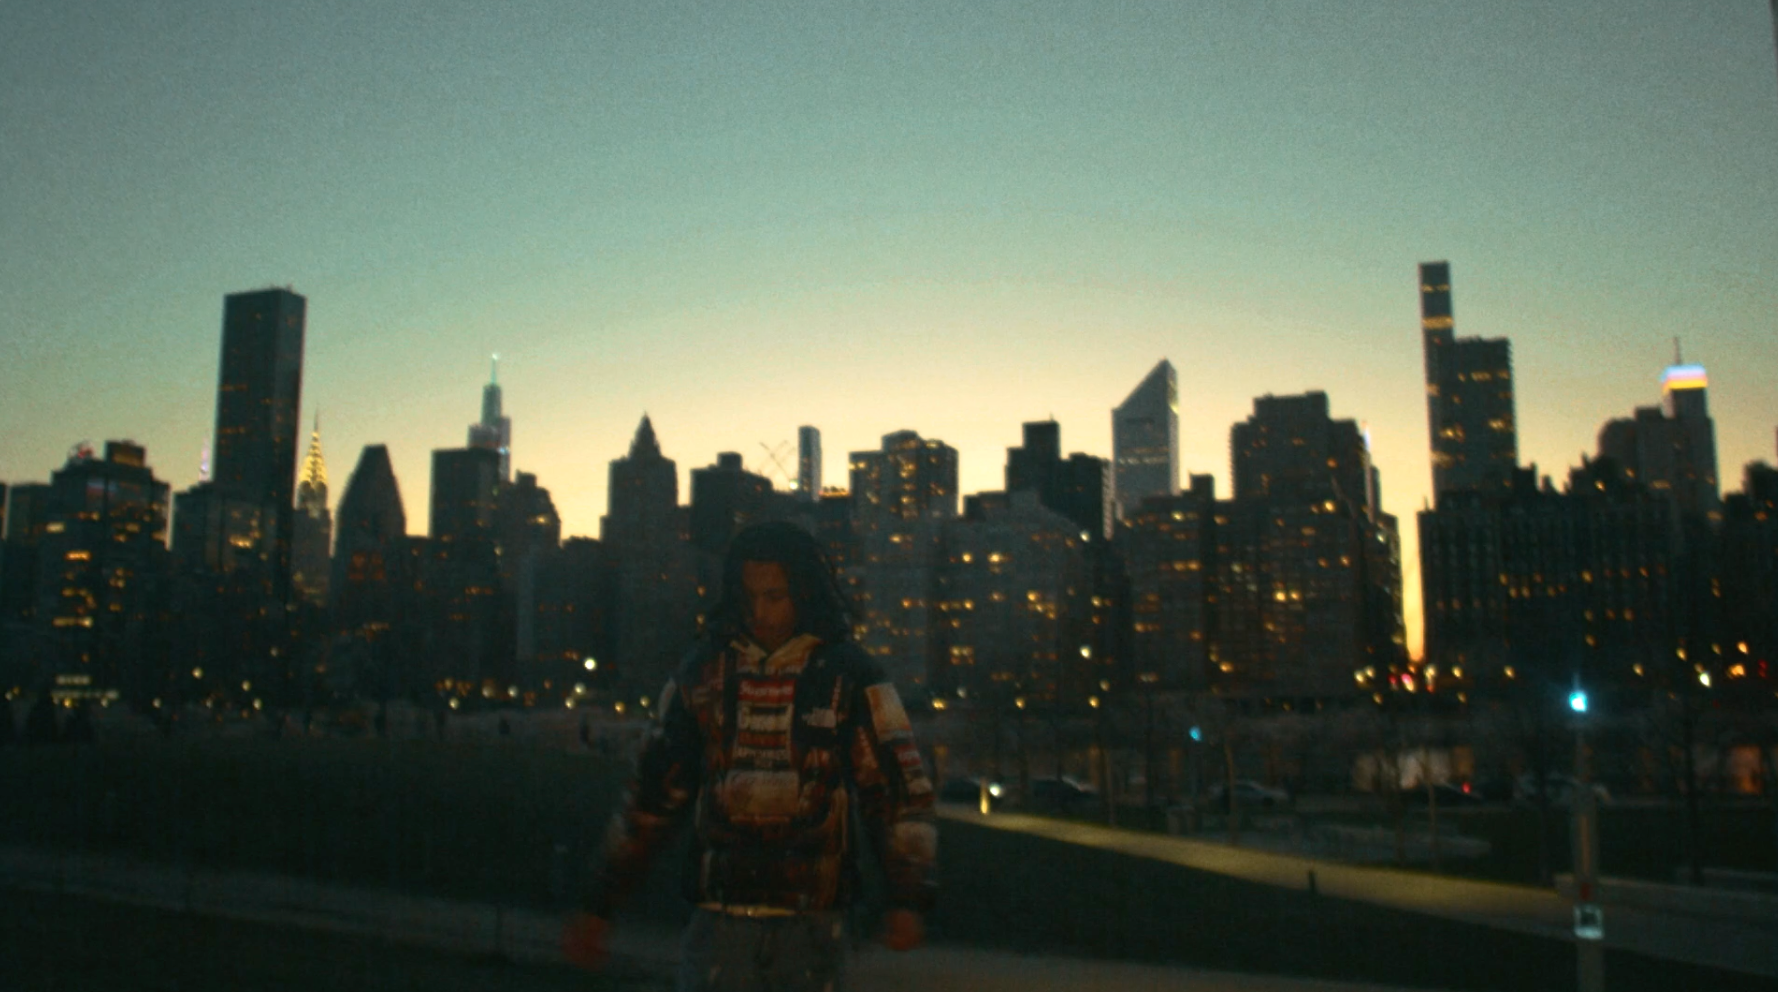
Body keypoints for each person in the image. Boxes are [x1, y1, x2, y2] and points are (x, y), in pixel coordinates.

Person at [563, 521, 937, 991]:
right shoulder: (702, 674)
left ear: (803, 592)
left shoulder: (851, 676)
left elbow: (898, 791)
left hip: (812, 924)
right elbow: (652, 797)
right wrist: (600, 904)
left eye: (774, 597)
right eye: (749, 597)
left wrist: (908, 897)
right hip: (720, 923)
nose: (759, 612)